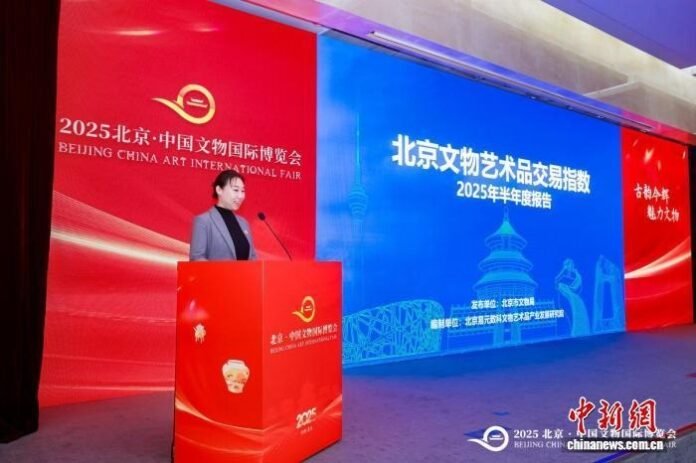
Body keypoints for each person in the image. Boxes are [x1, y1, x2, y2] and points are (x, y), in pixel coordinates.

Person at [189, 170, 257, 261]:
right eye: (236, 190)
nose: (240, 196)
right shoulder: (203, 221)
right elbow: (196, 258)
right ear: (219, 190)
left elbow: (252, 258)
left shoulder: (244, 223)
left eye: (243, 191)